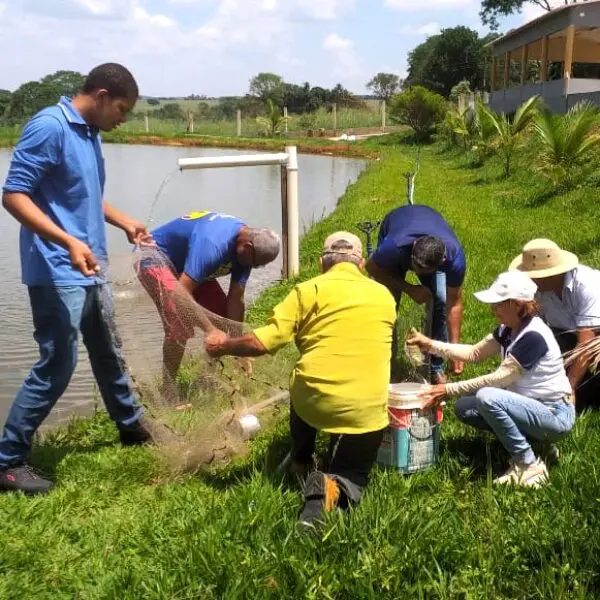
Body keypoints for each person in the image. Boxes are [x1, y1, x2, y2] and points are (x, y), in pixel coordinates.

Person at [0, 63, 153, 495]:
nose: (122, 120)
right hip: (56, 268)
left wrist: (123, 221)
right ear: (101, 96)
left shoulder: (89, 133)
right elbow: (13, 194)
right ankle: (8, 459)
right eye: (121, 109)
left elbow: (80, 193)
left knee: (108, 349)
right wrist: (68, 241)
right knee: (58, 364)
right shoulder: (50, 126)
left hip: (91, 265)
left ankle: (130, 425)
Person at [205, 232, 396, 527]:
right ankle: (336, 484)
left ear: (322, 263)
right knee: (353, 475)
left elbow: (261, 343)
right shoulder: (384, 295)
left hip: (314, 402)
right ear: (361, 265)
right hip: (367, 410)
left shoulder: (307, 291)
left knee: (303, 384)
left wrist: (222, 345)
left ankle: (302, 460)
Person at [408, 271, 575, 488]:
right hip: (533, 407)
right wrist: (429, 345)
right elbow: (474, 353)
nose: (492, 309)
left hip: (554, 414)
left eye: (498, 304)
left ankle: (528, 464)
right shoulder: (508, 329)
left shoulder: (534, 336)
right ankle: (537, 444)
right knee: (465, 407)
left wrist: (446, 389)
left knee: (487, 397)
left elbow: (497, 379)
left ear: (516, 304)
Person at [138, 210, 281, 386]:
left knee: (222, 319)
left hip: (189, 267)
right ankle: (167, 390)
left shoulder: (246, 251)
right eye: (256, 263)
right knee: (179, 323)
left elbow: (235, 299)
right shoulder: (213, 244)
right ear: (247, 247)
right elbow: (180, 292)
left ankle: (207, 379)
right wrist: (209, 329)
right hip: (155, 257)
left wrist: (238, 348)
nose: (256, 267)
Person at [365, 204, 466, 384]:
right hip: (396, 222)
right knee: (388, 301)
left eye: (421, 269)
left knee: (440, 301)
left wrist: (455, 351)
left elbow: (454, 303)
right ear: (413, 246)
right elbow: (371, 267)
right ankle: (386, 362)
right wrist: (408, 288)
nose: (415, 270)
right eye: (414, 265)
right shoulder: (394, 246)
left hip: (430, 220)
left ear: (442, 262)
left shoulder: (454, 258)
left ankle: (435, 367)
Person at [510, 239, 600, 412]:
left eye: (532, 275)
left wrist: (568, 388)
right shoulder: (536, 290)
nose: (529, 280)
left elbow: (586, 345)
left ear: (548, 275)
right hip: (569, 335)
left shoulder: (587, 285)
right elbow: (532, 329)